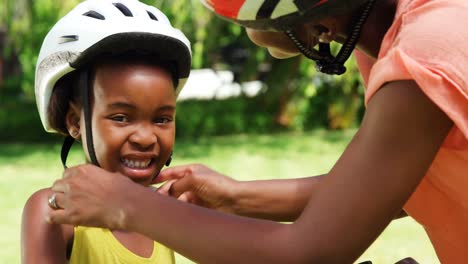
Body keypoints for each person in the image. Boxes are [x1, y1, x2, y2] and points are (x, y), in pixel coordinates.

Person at [45, 0, 468, 263]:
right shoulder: (397, 40)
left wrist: (129, 205)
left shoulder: (424, 51)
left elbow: (311, 252)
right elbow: (394, 192)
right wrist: (234, 196)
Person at [21, 0, 191, 263]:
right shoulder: (54, 211)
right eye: (122, 118)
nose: (146, 138)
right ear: (75, 122)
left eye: (161, 119)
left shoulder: (164, 210)